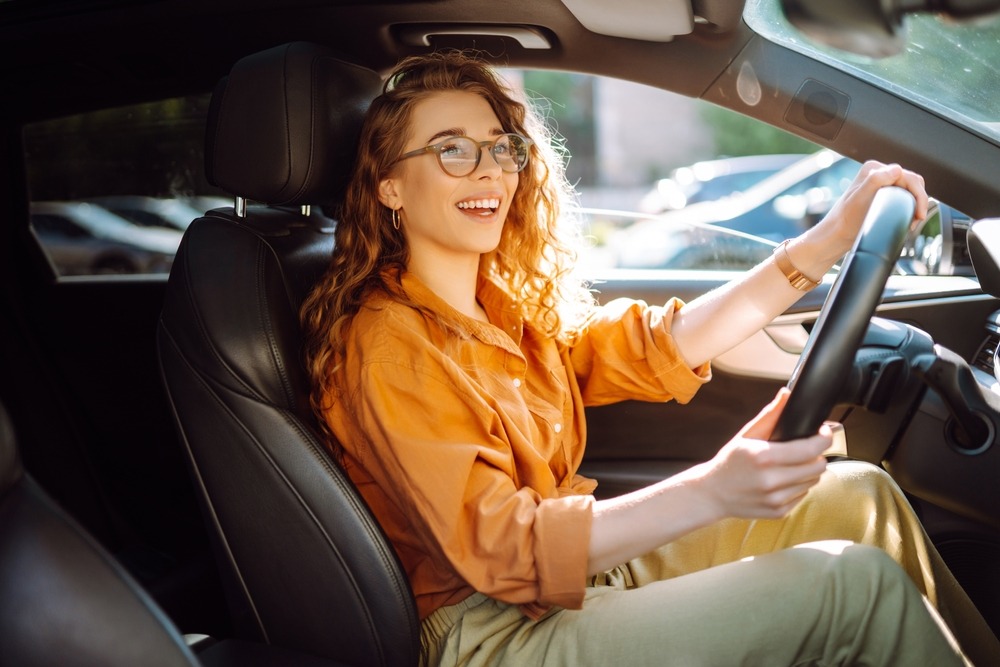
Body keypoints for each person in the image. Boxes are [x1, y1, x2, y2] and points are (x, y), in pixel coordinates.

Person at [300, 50, 1000, 666]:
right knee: (852, 587)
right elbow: (507, 554)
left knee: (860, 495)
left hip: (575, 584)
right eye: (452, 150)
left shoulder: (502, 311)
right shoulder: (388, 344)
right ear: (389, 184)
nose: (490, 171)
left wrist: (822, 246)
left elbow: (658, 344)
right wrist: (712, 487)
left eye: (499, 147)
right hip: (494, 635)